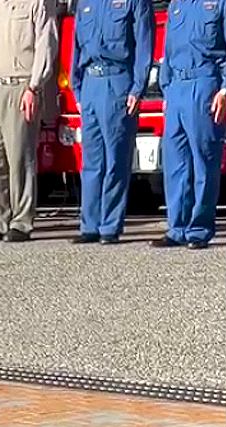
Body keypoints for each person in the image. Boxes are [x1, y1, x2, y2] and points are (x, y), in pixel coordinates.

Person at [0, 0, 57, 242]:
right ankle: (1, 219)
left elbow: (46, 44)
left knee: (19, 157)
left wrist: (34, 86)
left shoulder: (37, 3)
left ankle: (21, 221)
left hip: (21, 87)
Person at [70, 0, 153, 244]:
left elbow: (144, 44)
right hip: (90, 84)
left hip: (117, 82)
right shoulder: (85, 3)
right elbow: (75, 46)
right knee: (91, 161)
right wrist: (77, 89)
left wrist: (138, 87)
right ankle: (90, 225)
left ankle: (109, 226)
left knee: (116, 158)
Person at [152, 0, 226, 250]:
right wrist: (166, 89)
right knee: (175, 161)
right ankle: (177, 227)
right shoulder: (177, 5)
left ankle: (199, 228)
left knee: (204, 159)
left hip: (204, 84)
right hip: (176, 88)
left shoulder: (219, 4)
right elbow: (169, 50)